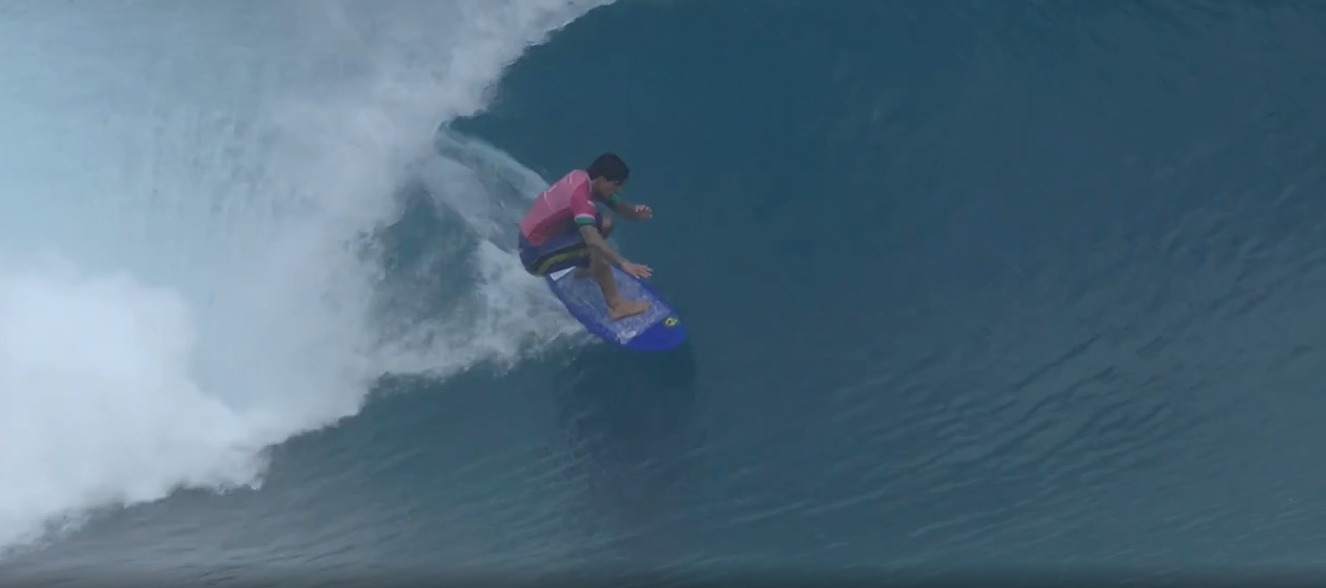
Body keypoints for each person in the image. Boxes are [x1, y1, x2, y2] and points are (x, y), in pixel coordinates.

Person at [517, 153, 654, 320]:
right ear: (602, 179)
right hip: (535, 255)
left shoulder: (583, 177)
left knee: (606, 223)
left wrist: (634, 213)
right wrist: (624, 263)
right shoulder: (580, 196)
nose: (619, 190)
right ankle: (617, 307)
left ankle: (585, 268)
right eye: (616, 185)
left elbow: (619, 207)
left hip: (545, 236)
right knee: (597, 251)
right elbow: (593, 240)